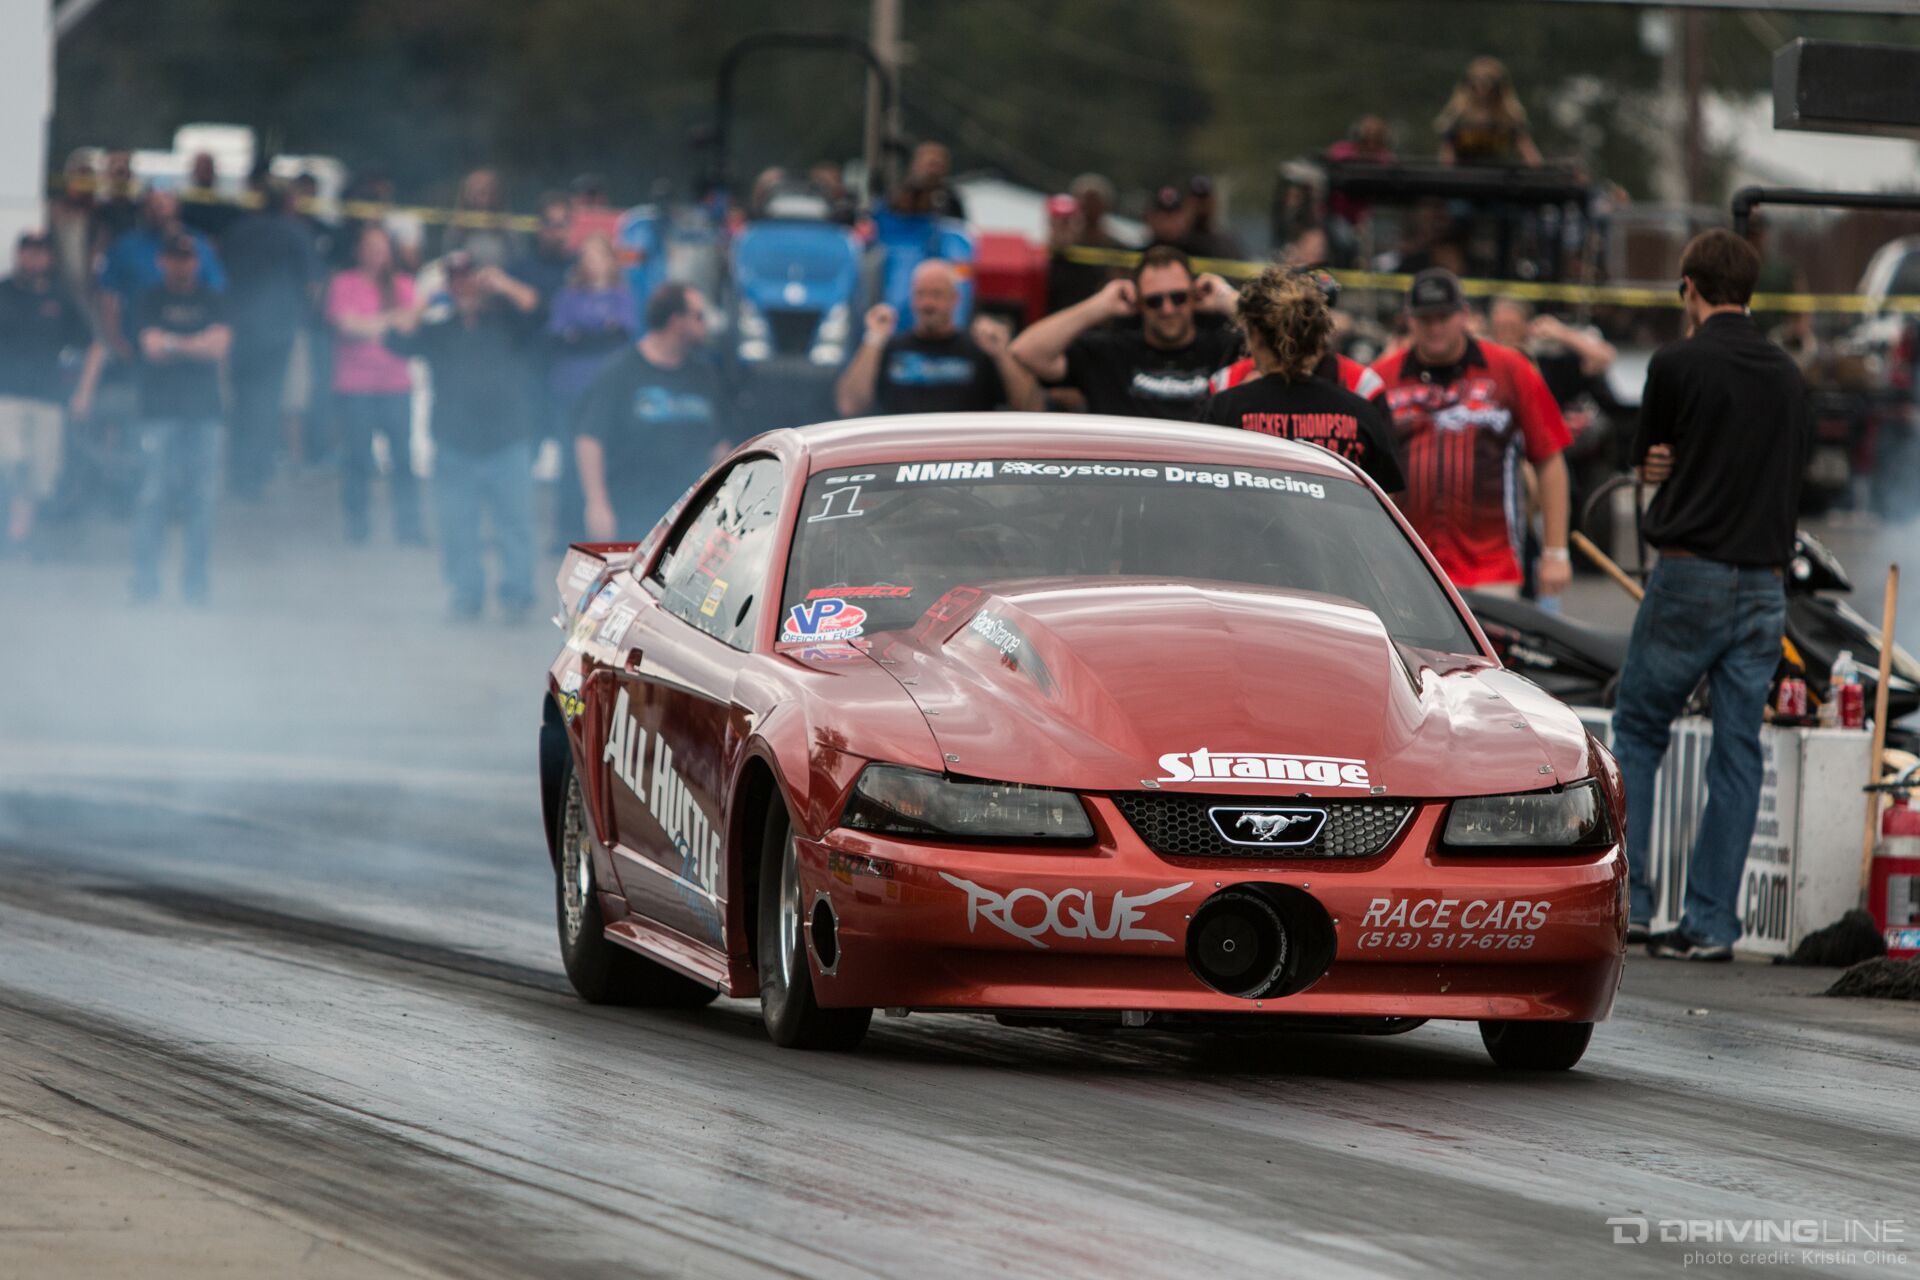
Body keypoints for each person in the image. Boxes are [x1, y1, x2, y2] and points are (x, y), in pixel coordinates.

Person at [1614, 230, 1812, 961]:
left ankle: (1628, 905)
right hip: (1764, 583)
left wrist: (1665, 465)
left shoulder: (1676, 361)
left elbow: (1647, 458)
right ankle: (1711, 925)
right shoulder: (1789, 374)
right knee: (1738, 753)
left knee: (1638, 731)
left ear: (1689, 288)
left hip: (1690, 573)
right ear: (1750, 292)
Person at [1369, 268, 1571, 597]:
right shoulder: (1381, 378)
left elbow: (1550, 459)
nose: (1435, 328)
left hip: (1492, 570)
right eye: (1425, 319)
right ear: (1409, 320)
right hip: (1404, 570)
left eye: (1444, 317)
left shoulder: (1511, 369)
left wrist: (1556, 552)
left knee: (1495, 649)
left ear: (1464, 315)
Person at [385, 254, 541, 619]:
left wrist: (501, 282)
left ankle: (518, 594)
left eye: (470, 278)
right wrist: (429, 297)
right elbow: (396, 338)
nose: (464, 285)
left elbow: (539, 311)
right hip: (454, 443)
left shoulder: (507, 320)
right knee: (457, 527)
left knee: (514, 523)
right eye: (457, 279)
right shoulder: (440, 328)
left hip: (508, 440)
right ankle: (465, 594)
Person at [1201, 267, 1403, 494]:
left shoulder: (1227, 406)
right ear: (1318, 334)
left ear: (1255, 336)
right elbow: (1387, 498)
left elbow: (1204, 489)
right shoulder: (1359, 412)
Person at [1010, 245, 1241, 422]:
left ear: (1194, 296)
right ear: (1138, 302)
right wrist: (1101, 304)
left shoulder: (1224, 348)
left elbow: (1276, 344)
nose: (1168, 309)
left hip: (1204, 478)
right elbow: (1026, 352)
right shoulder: (1109, 353)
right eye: (1154, 300)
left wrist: (1228, 300)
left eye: (1178, 297)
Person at [575, 282, 729, 542]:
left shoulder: (704, 376)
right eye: (698, 316)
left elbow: (719, 446)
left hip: (690, 521)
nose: (705, 324)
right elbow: (590, 439)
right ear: (676, 321)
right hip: (632, 517)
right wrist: (596, 504)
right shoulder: (620, 372)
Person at [129, 234, 230, 604]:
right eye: (175, 257)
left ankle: (196, 583)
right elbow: (150, 348)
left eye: (188, 258)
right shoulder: (149, 299)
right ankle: (145, 580)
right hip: (158, 411)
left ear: (197, 262)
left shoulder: (213, 299)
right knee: (152, 497)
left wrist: (173, 343)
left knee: (202, 500)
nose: (182, 264)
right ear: (162, 261)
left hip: (206, 413)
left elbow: (218, 347)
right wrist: (194, 344)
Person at [835, 259, 1040, 417]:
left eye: (936, 294)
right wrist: (873, 339)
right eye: (920, 294)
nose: (927, 304)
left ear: (955, 299)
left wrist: (1002, 354)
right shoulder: (890, 348)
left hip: (964, 458)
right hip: (900, 458)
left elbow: (1031, 408)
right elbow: (849, 405)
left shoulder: (979, 351)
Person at [220, 177, 319, 497]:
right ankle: (256, 474)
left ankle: (239, 472)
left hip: (240, 329)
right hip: (278, 331)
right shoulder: (295, 232)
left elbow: (223, 276)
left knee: (242, 402)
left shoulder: (239, 230)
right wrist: (302, 313)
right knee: (266, 402)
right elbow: (313, 284)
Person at [325, 224, 422, 544]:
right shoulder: (343, 283)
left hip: (396, 385)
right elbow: (346, 326)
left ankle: (408, 526)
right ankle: (357, 526)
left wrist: (371, 324)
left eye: (382, 248)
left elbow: (410, 326)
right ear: (359, 251)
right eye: (370, 248)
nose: (377, 255)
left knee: (403, 460)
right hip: (355, 386)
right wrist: (390, 320)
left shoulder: (404, 285)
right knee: (356, 460)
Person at [0, 233, 92, 553]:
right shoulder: (4, 293)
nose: (33, 259)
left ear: (48, 258)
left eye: (40, 253)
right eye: (28, 252)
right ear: (19, 255)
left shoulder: (60, 298)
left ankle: (19, 536)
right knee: (10, 459)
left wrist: (84, 392)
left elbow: (92, 345)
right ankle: (11, 526)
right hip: (7, 395)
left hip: (48, 397)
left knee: (40, 475)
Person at [1207, 268, 1386, 406]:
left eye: (1321, 313)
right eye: (1298, 315)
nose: (1310, 325)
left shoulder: (1362, 384)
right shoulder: (1229, 381)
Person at [1436, 56, 1542, 166]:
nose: (1481, 87)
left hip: (1496, 179)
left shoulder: (1508, 120)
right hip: (1463, 178)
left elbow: (1530, 156)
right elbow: (1447, 157)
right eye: (1476, 81)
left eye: (1488, 81)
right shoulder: (1457, 118)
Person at [442, 167, 519, 268]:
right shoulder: (458, 228)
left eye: (484, 192)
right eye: (474, 193)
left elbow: (518, 258)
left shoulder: (508, 227)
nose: (480, 199)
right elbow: (450, 255)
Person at [1182, 176, 1244, 260]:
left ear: (1213, 202)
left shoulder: (1225, 244)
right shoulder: (1175, 241)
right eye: (1196, 201)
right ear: (1186, 202)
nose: (1200, 206)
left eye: (1204, 201)